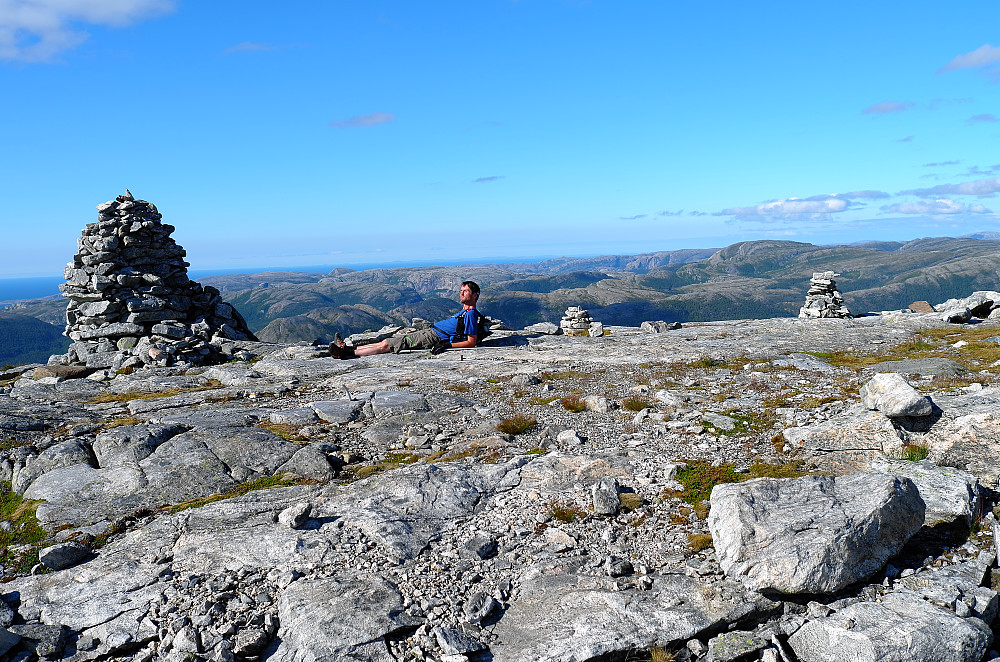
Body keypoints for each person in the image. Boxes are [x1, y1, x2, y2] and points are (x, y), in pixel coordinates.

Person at [330, 281, 482, 358]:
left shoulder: (470, 314)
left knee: (389, 345)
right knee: (386, 341)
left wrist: (447, 345)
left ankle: (346, 354)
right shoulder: (466, 311)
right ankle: (347, 349)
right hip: (430, 333)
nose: (461, 294)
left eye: (466, 291)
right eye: (461, 291)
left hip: (433, 337)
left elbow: (471, 342)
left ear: (475, 295)